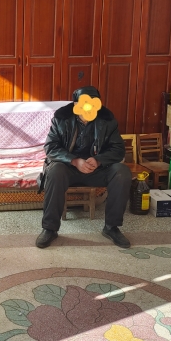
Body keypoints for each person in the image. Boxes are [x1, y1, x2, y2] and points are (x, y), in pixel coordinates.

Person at [36, 86, 132, 249]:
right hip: (69, 168)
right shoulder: (61, 118)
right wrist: (74, 161)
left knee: (122, 172)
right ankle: (50, 229)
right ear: (75, 104)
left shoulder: (107, 120)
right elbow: (51, 148)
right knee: (55, 171)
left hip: (97, 169)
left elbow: (118, 149)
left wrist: (99, 160)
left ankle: (112, 227)